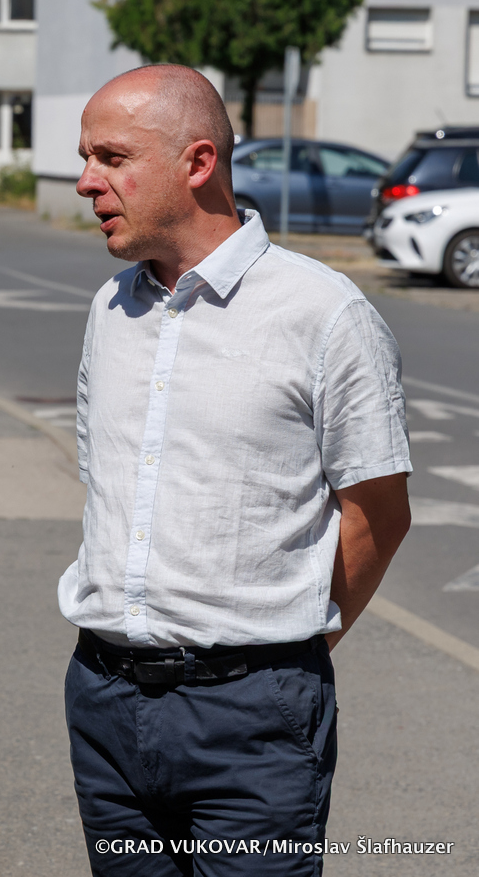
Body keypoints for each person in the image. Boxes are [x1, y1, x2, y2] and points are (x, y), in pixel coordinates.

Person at [58, 64, 411, 877]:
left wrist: (287, 647)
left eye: (112, 158)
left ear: (198, 162)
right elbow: (104, 487)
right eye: (85, 158)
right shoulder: (110, 309)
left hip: (252, 714)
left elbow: (378, 513)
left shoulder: (323, 314)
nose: (85, 182)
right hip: (104, 701)